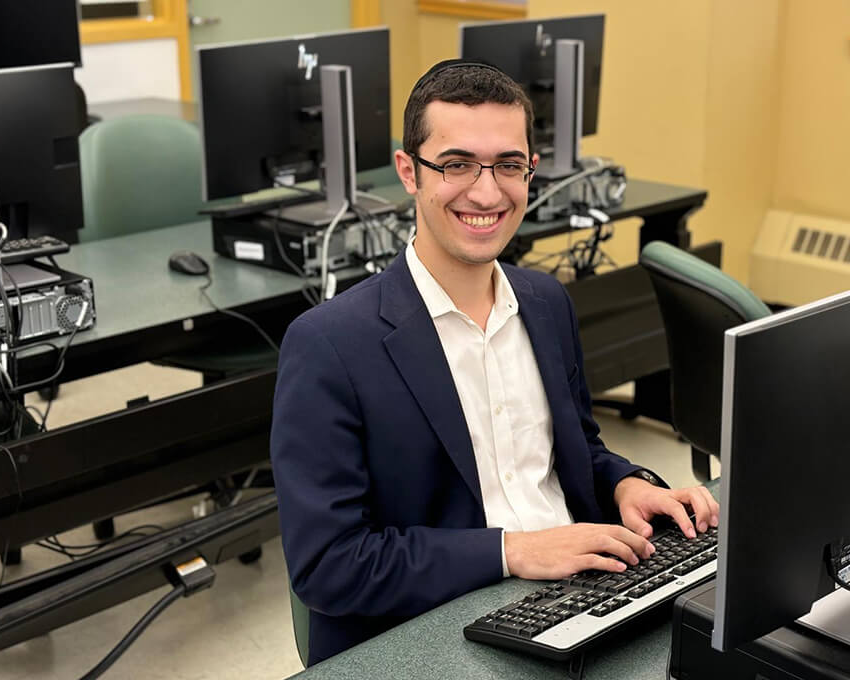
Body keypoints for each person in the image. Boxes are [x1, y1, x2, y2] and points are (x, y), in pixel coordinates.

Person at [271, 60, 720, 665]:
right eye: (456, 165)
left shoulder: (545, 301)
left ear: (531, 171)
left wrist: (624, 484)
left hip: (576, 595)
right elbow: (329, 566)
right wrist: (514, 551)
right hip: (438, 625)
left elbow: (575, 451)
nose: (486, 192)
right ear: (410, 172)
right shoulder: (328, 345)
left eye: (508, 165)